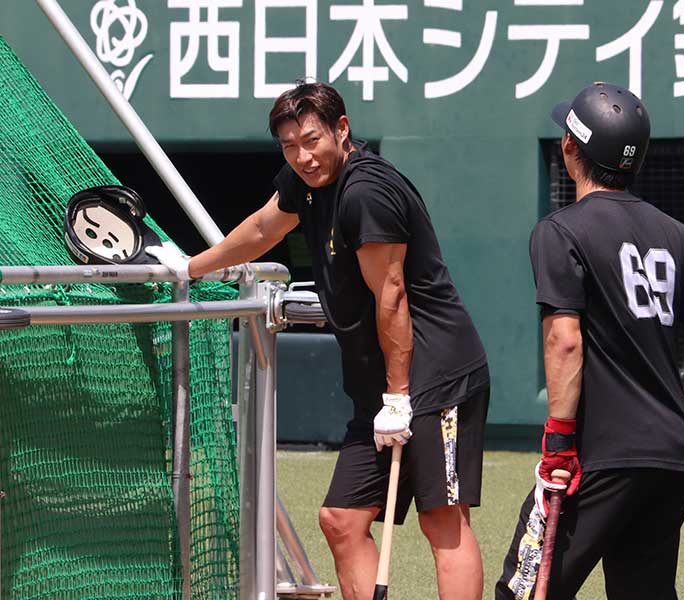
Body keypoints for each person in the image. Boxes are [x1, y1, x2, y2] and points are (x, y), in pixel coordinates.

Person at [148, 81, 489, 600]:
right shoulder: (304, 180)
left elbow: (392, 295)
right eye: (290, 146)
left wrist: (399, 397)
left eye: (311, 140)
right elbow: (265, 227)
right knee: (341, 520)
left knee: (442, 520)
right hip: (381, 386)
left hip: (434, 373)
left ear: (342, 130)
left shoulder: (367, 191)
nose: (303, 156)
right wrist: (191, 268)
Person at [495, 82, 684, 600]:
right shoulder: (678, 234)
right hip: (671, 455)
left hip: (598, 456)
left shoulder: (561, 231)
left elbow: (564, 341)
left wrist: (558, 440)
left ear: (569, 149)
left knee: (525, 589)